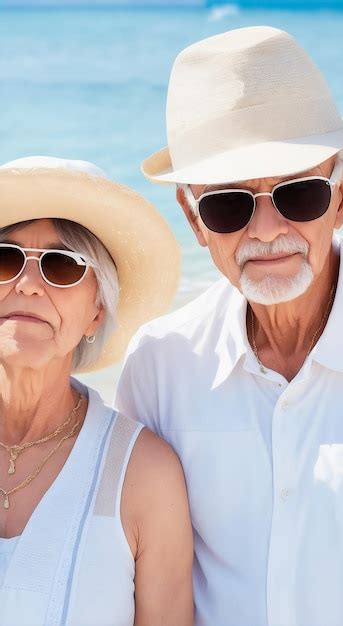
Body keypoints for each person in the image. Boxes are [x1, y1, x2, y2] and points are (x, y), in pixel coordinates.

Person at [115, 26, 343, 626]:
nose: (267, 230)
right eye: (229, 203)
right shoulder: (159, 366)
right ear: (194, 220)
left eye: (298, 194)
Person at [0, 156, 193, 626]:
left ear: (96, 311)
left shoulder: (144, 476)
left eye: (62, 266)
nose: (27, 285)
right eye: (5, 259)